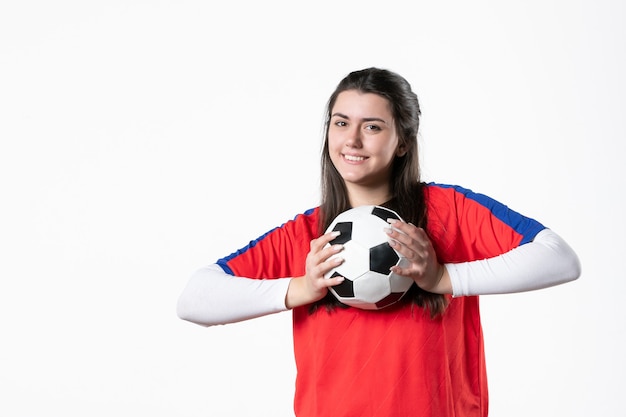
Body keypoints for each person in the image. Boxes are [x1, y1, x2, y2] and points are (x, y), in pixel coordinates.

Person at [176, 67, 581, 417]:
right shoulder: (308, 235)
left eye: (372, 126)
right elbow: (194, 299)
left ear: (402, 141)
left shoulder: (448, 210)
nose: (352, 140)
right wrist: (302, 287)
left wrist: (444, 277)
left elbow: (559, 258)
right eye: (340, 122)